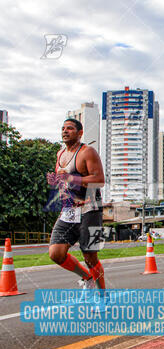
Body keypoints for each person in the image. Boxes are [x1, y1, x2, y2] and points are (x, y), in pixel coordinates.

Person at [47, 118, 106, 289]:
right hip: (68, 211)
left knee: (90, 257)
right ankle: (87, 278)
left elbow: (99, 180)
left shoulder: (88, 152)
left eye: (70, 128)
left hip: (91, 210)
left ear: (80, 133)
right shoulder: (60, 154)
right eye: (63, 128)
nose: (65, 131)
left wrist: (71, 177)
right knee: (56, 253)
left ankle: (102, 296)